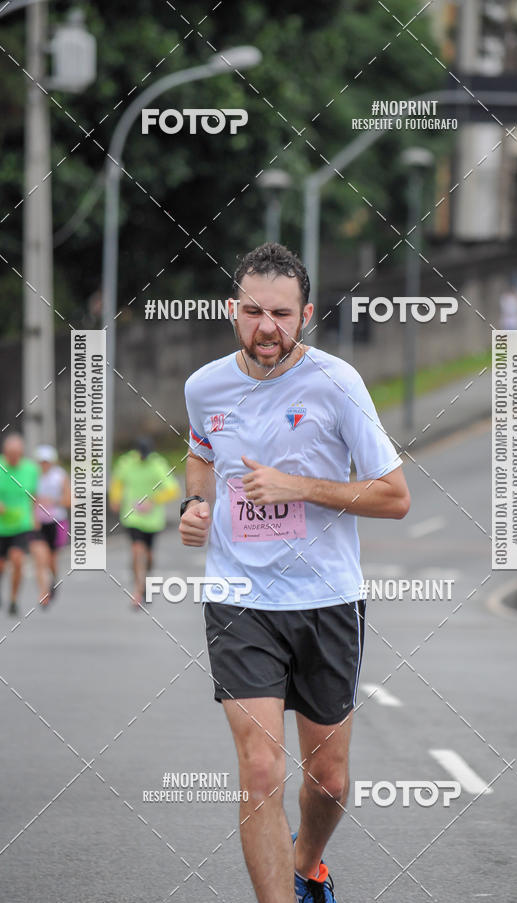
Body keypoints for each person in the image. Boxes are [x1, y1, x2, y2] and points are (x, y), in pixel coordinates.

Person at [180, 243, 410, 903]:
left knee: (330, 778)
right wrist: (196, 503)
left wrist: (298, 486)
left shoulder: (338, 384)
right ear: (233, 310)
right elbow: (200, 456)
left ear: (305, 313)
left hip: (328, 598)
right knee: (259, 771)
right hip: (238, 597)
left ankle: (308, 862)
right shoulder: (205, 385)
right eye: (252, 310)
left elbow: (394, 497)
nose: (266, 328)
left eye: (281, 313)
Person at [109, 438, 180, 607]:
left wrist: (153, 500)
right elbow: (117, 482)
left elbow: (172, 489)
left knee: (148, 555)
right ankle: (138, 590)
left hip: (152, 519)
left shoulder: (157, 464)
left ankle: (145, 579)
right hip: (132, 516)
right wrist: (115, 498)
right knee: (136, 550)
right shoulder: (127, 463)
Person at [0, 433, 39, 615]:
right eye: (10, 454)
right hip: (1, 525)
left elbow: (35, 495)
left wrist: (36, 515)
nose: (13, 457)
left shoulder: (31, 470)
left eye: (17, 453)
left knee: (17, 560)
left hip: (21, 524)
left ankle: (14, 599)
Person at [29, 445, 70, 606]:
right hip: (37, 523)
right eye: (41, 462)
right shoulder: (32, 476)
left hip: (56, 521)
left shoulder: (59, 476)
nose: (43, 465)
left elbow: (69, 500)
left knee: (52, 559)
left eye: (46, 461)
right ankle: (43, 592)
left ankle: (53, 580)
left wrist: (53, 501)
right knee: (40, 558)